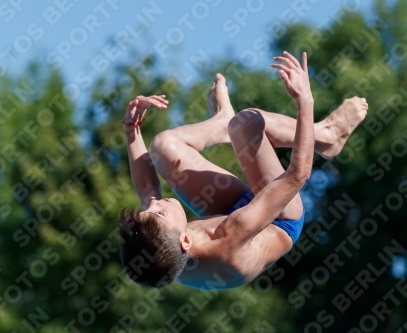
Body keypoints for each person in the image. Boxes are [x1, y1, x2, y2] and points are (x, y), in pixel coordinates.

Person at [119, 52, 368, 290]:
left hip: (230, 211)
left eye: (148, 211)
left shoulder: (163, 252)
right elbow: (297, 175)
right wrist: (305, 99)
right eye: (159, 213)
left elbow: (147, 191)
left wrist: (132, 129)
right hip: (279, 218)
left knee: (163, 146)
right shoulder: (228, 236)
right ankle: (328, 135)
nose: (155, 204)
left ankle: (221, 121)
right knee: (246, 124)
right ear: (185, 241)